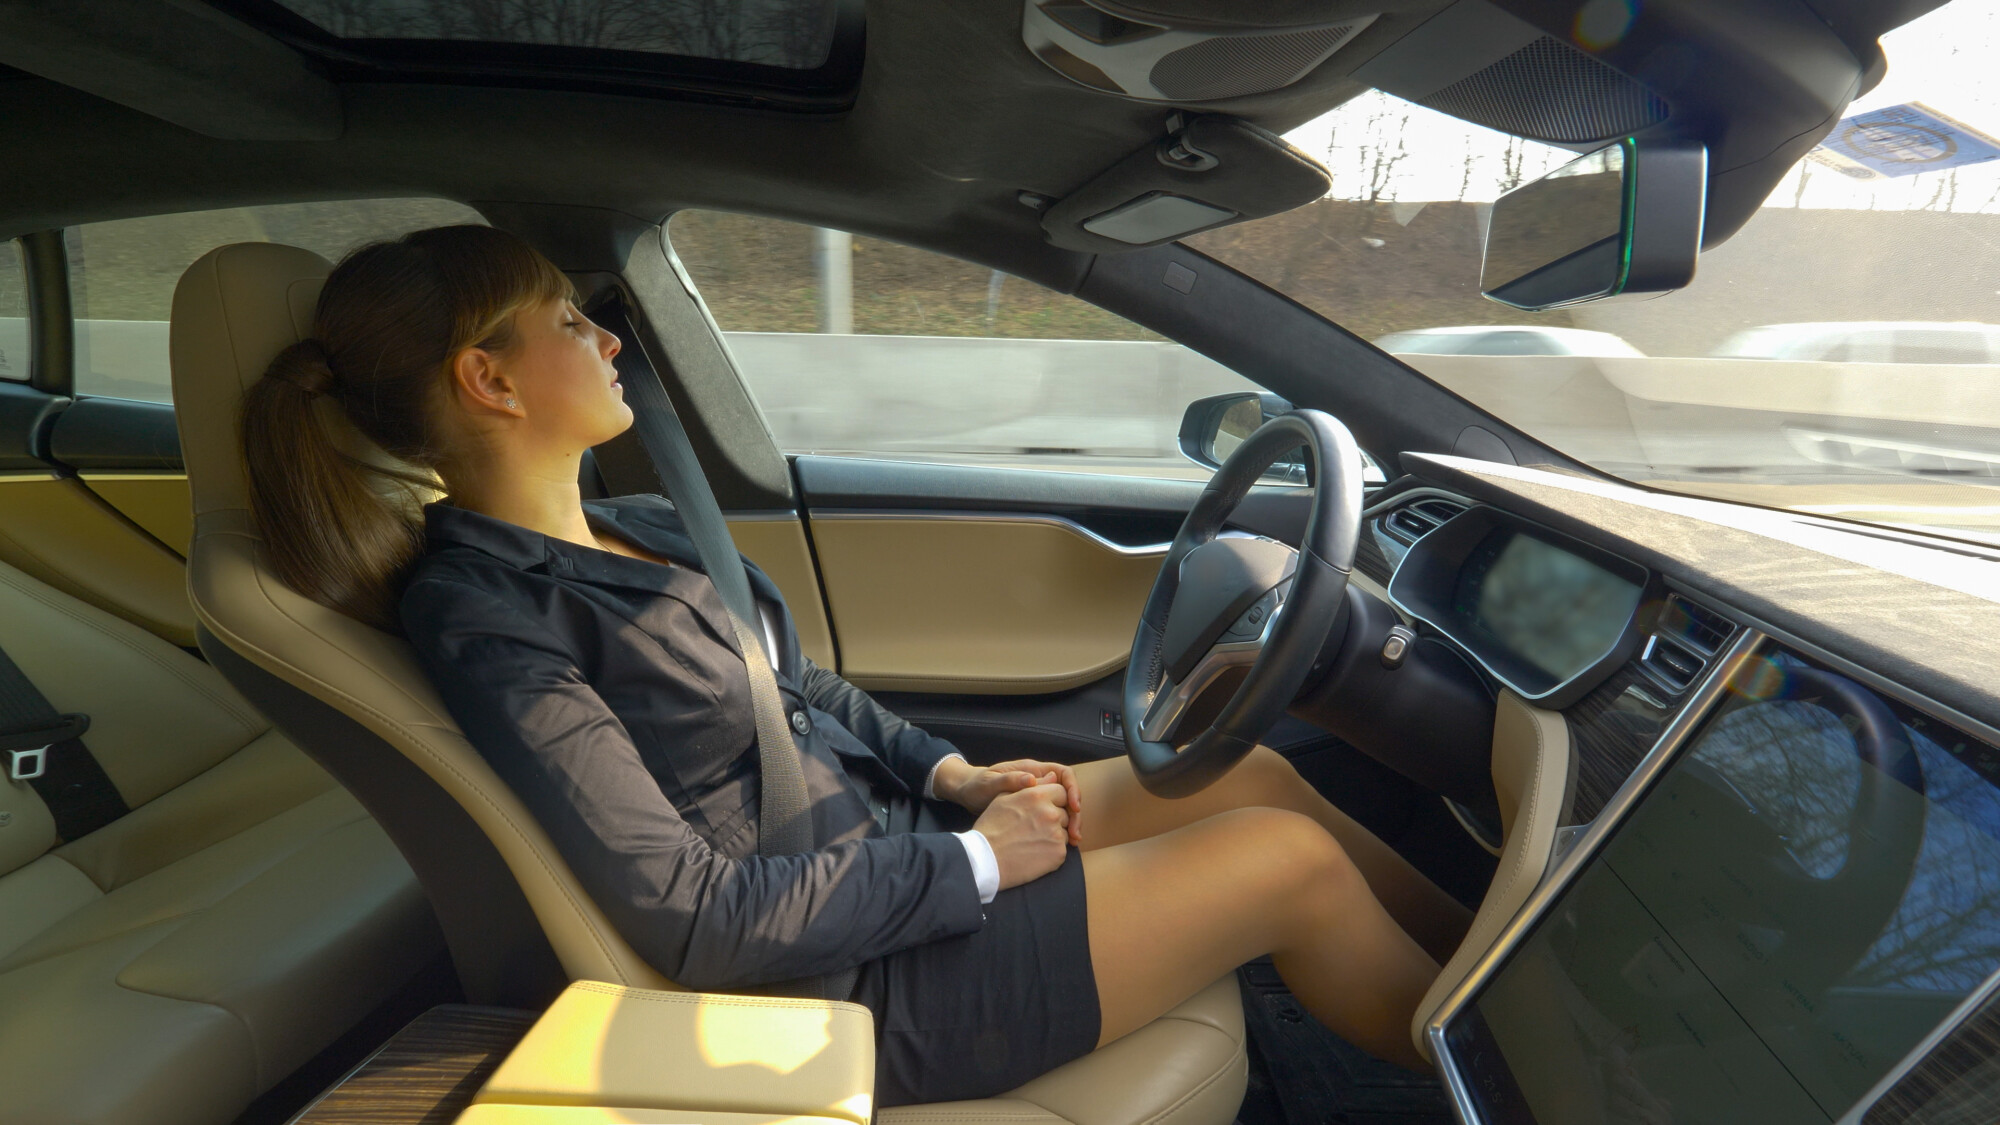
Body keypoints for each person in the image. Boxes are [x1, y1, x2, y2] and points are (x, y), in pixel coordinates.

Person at [239, 225, 1469, 1106]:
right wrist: (982, 863)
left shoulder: (641, 527)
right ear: (487, 380)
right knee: (1286, 864)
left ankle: (1494, 968)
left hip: (891, 855)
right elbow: (695, 916)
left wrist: (953, 781)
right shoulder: (486, 616)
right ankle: (1504, 1072)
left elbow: (804, 690)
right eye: (569, 320)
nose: (606, 336)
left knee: (1243, 777)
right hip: (848, 972)